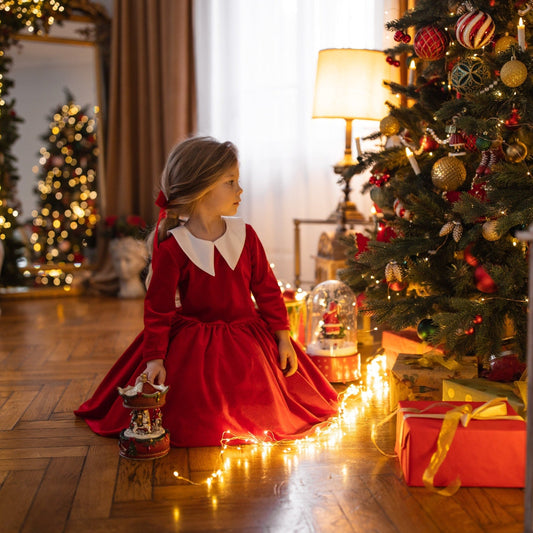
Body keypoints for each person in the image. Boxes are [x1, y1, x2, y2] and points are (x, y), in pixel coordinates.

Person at [75, 136, 339, 447]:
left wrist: (282, 337)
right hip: (196, 344)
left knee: (270, 403)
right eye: (230, 182)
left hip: (249, 338)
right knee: (193, 406)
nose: (240, 190)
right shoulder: (174, 248)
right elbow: (158, 310)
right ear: (201, 189)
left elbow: (266, 290)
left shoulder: (246, 235)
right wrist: (155, 360)